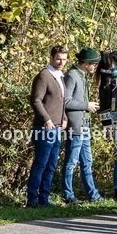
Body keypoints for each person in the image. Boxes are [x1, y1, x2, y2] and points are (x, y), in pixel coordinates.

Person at [27, 45, 69, 207]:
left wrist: (64, 117)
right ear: (51, 58)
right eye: (58, 58)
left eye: (64, 59)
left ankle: (44, 198)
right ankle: (32, 199)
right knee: (41, 164)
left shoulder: (60, 76)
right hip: (44, 128)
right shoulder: (43, 76)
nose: (61, 62)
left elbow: (61, 101)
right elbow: (36, 100)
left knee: (51, 165)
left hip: (58, 128)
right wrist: (46, 119)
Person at [61, 47, 103, 205]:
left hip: (85, 125)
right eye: (94, 64)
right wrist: (86, 105)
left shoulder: (82, 75)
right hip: (76, 125)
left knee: (87, 162)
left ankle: (93, 195)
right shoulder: (72, 75)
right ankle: (68, 195)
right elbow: (66, 101)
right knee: (71, 162)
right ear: (85, 63)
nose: (95, 67)